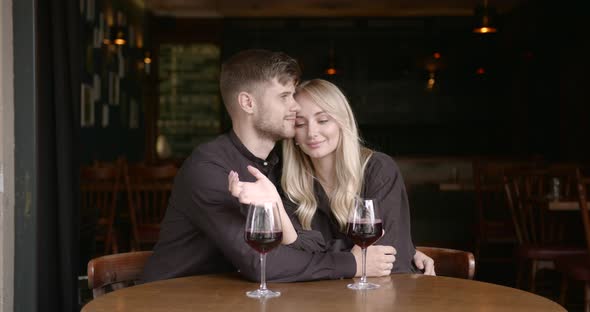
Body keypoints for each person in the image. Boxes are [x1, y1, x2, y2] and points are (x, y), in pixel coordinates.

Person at [141, 49, 396, 283]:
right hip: (173, 298)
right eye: (285, 96)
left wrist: (382, 257)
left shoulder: (275, 168)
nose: (295, 107)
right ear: (248, 103)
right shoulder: (209, 168)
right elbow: (263, 263)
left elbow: (308, 243)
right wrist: (353, 263)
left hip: (229, 299)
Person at [229, 79, 435, 275]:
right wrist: (352, 259)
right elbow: (284, 259)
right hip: (319, 299)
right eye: (300, 124)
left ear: (341, 122)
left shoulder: (378, 169)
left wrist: (318, 257)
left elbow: (389, 258)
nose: (312, 132)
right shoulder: (286, 182)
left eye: (323, 120)